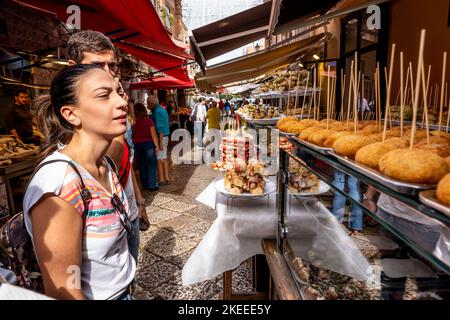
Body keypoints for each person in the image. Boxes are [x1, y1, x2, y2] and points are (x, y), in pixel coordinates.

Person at [23, 64, 135, 299]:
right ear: (71, 114)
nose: (122, 102)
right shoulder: (60, 185)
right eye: (104, 96)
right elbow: (64, 289)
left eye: (118, 92)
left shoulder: (105, 163)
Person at [66, 30, 148, 257]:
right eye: (97, 65)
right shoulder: (74, 116)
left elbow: (126, 160)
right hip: (100, 231)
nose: (108, 73)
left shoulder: (117, 106)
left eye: (112, 66)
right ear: (73, 67)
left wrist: (138, 202)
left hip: (128, 213)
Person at [132, 103, 160, 191]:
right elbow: (154, 135)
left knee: (141, 165)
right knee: (151, 164)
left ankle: (145, 185)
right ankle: (152, 185)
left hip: (137, 145)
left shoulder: (132, 122)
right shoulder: (149, 121)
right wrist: (157, 145)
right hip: (148, 144)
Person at [148, 96, 171, 185]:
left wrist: (160, 143)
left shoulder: (157, 112)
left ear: (152, 104)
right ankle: (167, 178)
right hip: (166, 136)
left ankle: (161, 179)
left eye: (148, 103)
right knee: (164, 157)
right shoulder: (163, 110)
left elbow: (160, 128)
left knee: (159, 158)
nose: (147, 106)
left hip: (161, 137)